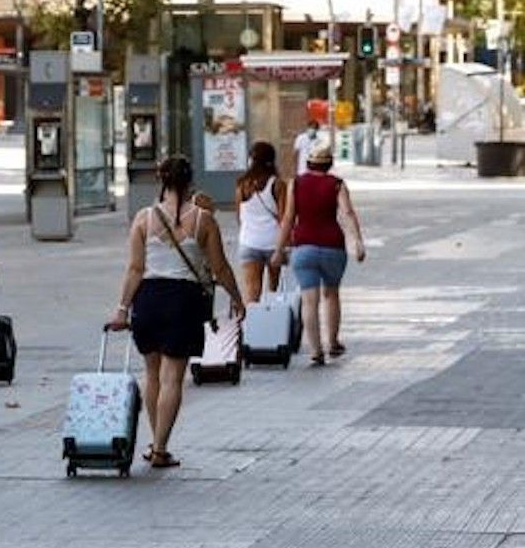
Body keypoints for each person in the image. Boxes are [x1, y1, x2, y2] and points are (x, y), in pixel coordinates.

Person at [107, 156, 244, 469]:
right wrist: (237, 298)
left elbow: (135, 268)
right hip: (183, 301)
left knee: (152, 375)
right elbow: (219, 267)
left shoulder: (143, 218)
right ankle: (159, 448)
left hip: (148, 299)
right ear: (190, 179)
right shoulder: (203, 220)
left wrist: (122, 310)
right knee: (172, 379)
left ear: (161, 180)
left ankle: (156, 444)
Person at [270, 141, 366, 366]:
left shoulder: (296, 184)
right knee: (331, 294)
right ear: (329, 164)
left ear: (308, 162)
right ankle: (332, 342)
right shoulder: (337, 185)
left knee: (308, 300)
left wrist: (278, 250)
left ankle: (315, 350)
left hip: (303, 248)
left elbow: (288, 219)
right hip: (333, 246)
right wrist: (358, 242)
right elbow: (348, 213)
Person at [234, 141, 286, 303]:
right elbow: (284, 217)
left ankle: (252, 326)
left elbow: (239, 217)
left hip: (249, 242)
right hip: (273, 244)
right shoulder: (277, 185)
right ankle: (272, 325)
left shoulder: (242, 185)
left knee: (251, 293)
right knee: (273, 290)